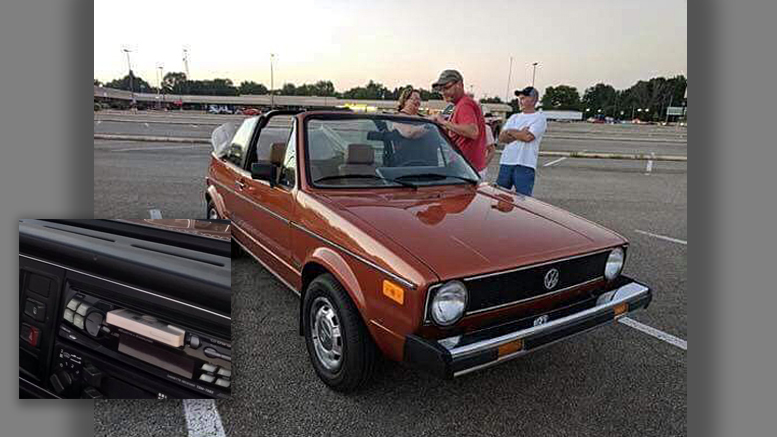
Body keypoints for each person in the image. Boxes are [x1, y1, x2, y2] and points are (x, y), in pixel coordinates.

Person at [429, 69, 488, 179]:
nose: (443, 93)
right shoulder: (458, 105)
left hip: (468, 170)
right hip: (468, 168)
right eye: (441, 90)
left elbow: (472, 132)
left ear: (459, 85)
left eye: (446, 88)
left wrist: (444, 122)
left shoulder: (464, 105)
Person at [496, 86, 547, 196]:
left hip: (525, 165)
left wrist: (510, 132)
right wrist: (519, 133)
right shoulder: (514, 117)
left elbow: (528, 137)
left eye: (523, 98)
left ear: (533, 100)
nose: (520, 101)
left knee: (524, 201)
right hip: (506, 162)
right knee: (500, 198)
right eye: (520, 98)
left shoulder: (539, 118)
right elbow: (501, 138)